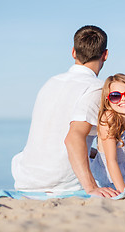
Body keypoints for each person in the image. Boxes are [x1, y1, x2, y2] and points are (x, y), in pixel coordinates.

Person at [11, 25, 118, 197]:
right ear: (105, 55)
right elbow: (72, 139)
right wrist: (91, 188)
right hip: (60, 183)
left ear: (73, 52)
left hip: (26, 178)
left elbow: (55, 134)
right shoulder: (97, 89)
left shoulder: (51, 82)